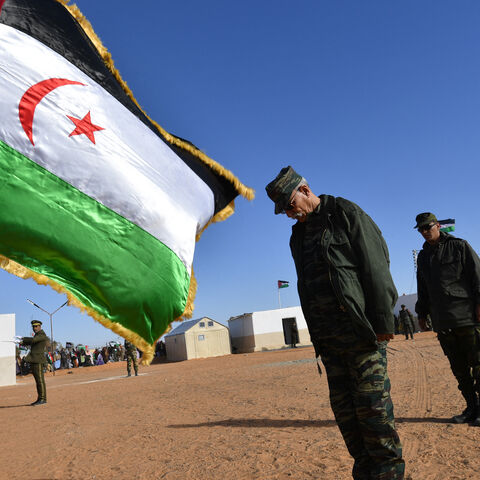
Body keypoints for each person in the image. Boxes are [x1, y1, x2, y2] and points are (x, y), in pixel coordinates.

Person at [266, 166, 404, 480]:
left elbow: (376, 266)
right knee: (347, 417)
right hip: (329, 342)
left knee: (374, 413)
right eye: (283, 211)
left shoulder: (344, 213)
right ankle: (367, 473)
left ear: (304, 190)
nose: (289, 214)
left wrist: (382, 322)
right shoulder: (298, 234)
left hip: (360, 334)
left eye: (290, 205)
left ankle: (391, 473)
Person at [414, 212, 480, 427]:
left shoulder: (459, 246)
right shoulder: (423, 257)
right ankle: (471, 407)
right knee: (459, 368)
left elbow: (477, 276)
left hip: (467, 317)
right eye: (421, 229)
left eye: (428, 227)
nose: (425, 232)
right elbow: (423, 290)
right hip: (443, 321)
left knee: (478, 365)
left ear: (438, 226)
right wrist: (422, 314)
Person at [20, 320, 49, 405]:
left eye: (36, 326)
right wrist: (22, 342)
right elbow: (33, 342)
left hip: (38, 361)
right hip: (34, 360)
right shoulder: (37, 335)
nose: (35, 328)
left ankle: (43, 399)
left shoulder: (42, 335)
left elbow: (33, 340)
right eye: (33, 327)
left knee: (40, 380)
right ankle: (40, 398)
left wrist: (22, 339)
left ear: (40, 326)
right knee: (38, 381)